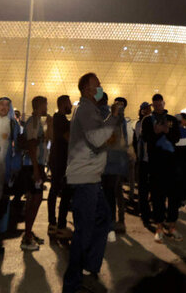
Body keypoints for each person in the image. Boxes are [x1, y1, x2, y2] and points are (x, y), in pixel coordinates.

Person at [62, 73, 122, 293]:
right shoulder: (86, 109)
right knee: (83, 232)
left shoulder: (90, 109)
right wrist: (114, 116)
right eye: (97, 86)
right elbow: (97, 138)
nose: (100, 89)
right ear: (87, 89)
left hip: (91, 178)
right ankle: (72, 283)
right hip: (84, 179)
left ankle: (88, 267)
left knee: (103, 220)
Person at [141, 92, 182, 242]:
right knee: (157, 196)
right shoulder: (147, 121)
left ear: (164, 103)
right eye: (156, 104)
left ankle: (172, 225)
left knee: (173, 196)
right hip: (155, 164)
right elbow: (145, 138)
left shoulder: (171, 120)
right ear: (153, 105)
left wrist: (166, 131)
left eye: (160, 104)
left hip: (171, 163)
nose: (158, 106)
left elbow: (176, 137)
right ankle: (159, 226)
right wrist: (156, 132)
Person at [20, 95, 50, 251]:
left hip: (34, 165)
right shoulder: (34, 122)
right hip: (32, 166)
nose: (47, 108)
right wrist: (37, 170)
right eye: (45, 105)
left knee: (33, 200)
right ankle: (27, 237)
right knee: (35, 201)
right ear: (39, 106)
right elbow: (31, 147)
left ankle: (29, 232)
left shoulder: (38, 122)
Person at [101, 96, 132, 238]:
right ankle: (116, 221)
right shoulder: (116, 119)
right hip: (114, 160)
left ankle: (116, 221)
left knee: (113, 191)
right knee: (114, 191)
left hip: (113, 160)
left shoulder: (117, 119)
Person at [0, 96, 23, 232]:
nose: (3, 107)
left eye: (6, 105)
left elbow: (16, 147)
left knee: (0, 195)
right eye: (1, 105)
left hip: (4, 164)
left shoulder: (13, 124)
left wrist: (15, 166)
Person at [47, 94, 73, 240]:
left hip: (59, 161)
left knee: (58, 191)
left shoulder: (60, 119)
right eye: (69, 104)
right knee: (61, 191)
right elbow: (67, 137)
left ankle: (56, 223)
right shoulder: (60, 119)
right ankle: (57, 224)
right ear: (64, 104)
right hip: (60, 161)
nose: (71, 106)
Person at [133, 101, 152, 223]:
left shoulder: (154, 122)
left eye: (148, 108)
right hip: (142, 159)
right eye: (144, 109)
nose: (146, 110)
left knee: (152, 186)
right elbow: (136, 140)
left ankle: (152, 209)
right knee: (143, 187)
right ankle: (144, 211)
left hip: (152, 159)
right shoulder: (138, 124)